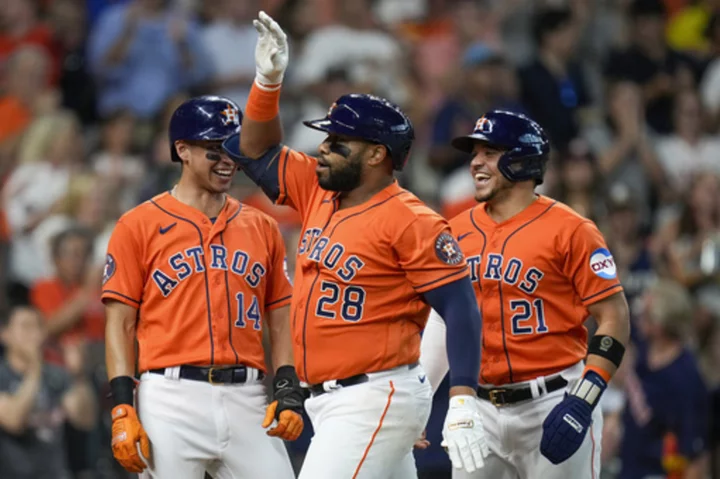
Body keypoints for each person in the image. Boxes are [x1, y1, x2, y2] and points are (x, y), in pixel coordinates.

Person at [222, 12, 488, 478]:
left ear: (376, 154)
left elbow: (461, 308)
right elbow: (255, 150)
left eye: (338, 140)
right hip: (331, 401)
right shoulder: (317, 189)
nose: (323, 147)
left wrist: (462, 397)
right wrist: (267, 81)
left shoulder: (413, 221)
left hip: (373, 396)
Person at [419, 110, 631, 478]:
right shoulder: (454, 230)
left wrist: (584, 398)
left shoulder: (572, 229)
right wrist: (421, 404)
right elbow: (443, 318)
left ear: (522, 159)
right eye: (474, 153)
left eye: (489, 152)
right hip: (479, 408)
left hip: (552, 400)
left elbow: (614, 316)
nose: (475, 162)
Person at [102, 95, 304, 478]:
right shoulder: (138, 225)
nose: (228, 160)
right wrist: (122, 406)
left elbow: (280, 313)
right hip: (171, 397)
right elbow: (120, 323)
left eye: (234, 149)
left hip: (248, 396)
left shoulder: (261, 226)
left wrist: (287, 384)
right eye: (215, 150)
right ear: (183, 150)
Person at [618, 279, 709, 479]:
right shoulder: (643, 349)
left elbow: (695, 455)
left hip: (658, 472)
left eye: (646, 315)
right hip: (628, 465)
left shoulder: (686, 377)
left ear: (660, 324)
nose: (639, 318)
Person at [0, 304, 96, 479]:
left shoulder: (56, 375)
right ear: (5, 334)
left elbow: (84, 419)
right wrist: (35, 367)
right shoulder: (3, 376)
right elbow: (13, 421)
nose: (34, 333)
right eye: (26, 326)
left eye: (38, 326)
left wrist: (78, 375)